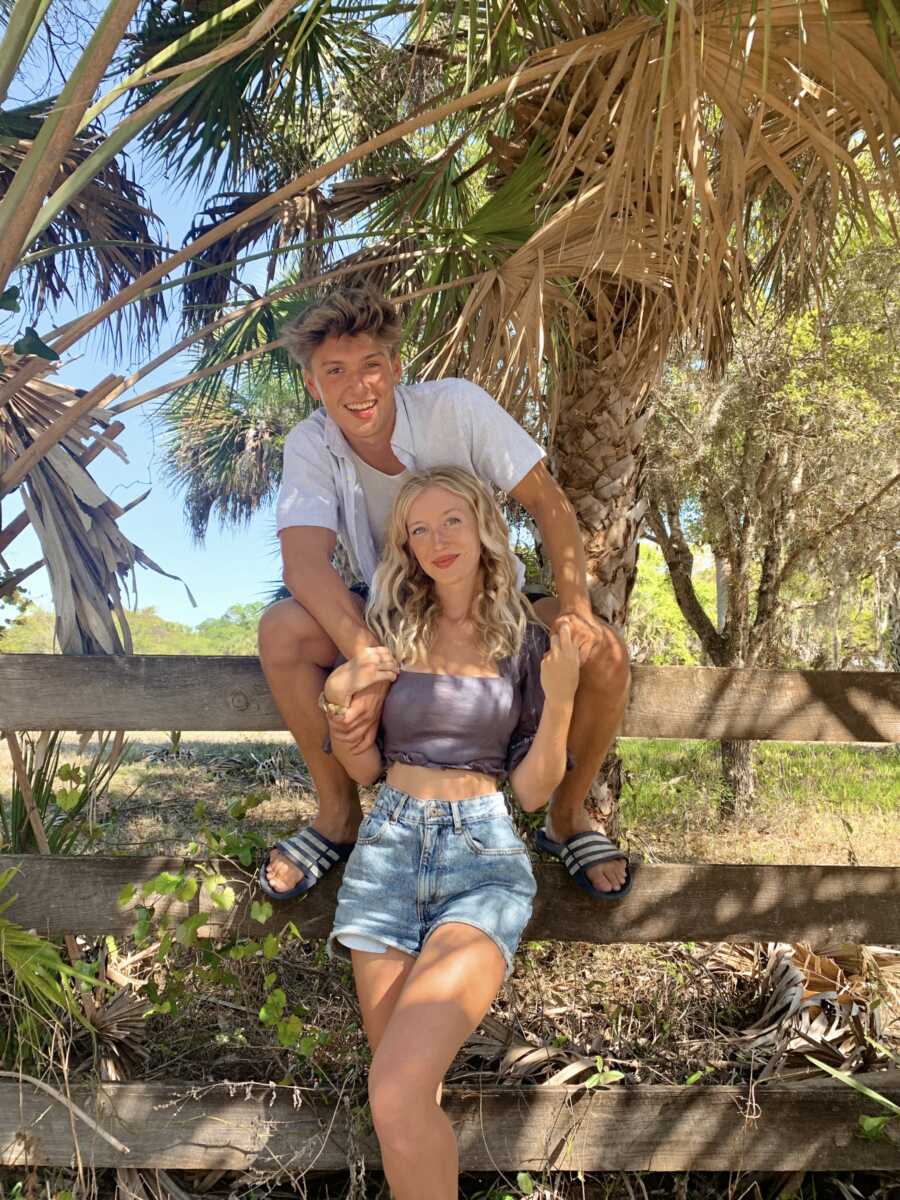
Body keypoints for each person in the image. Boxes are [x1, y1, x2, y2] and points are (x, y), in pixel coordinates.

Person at [257, 285, 631, 901]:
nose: (359, 387)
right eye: (336, 372)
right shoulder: (310, 444)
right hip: (390, 599)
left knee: (603, 654)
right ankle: (337, 815)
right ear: (312, 385)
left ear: (396, 368)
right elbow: (303, 563)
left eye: (372, 366)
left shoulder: (456, 405)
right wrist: (367, 654)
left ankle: (566, 817)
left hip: (494, 589)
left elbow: (548, 504)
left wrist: (575, 610)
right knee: (282, 631)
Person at [321, 466, 582, 1198]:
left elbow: (532, 789)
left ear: (483, 528)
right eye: (420, 529)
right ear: (405, 545)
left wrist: (558, 700)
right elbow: (367, 764)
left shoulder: (522, 639)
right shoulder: (390, 632)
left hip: (481, 859)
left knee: (397, 1091)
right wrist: (341, 725)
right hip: (387, 854)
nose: (438, 541)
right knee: (403, 1102)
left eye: (452, 522)